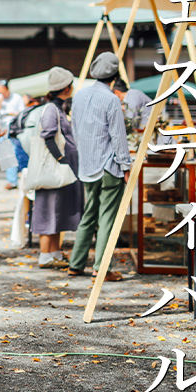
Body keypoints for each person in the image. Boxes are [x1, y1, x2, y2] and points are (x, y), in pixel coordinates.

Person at [68, 54, 131, 281]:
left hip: (87, 165)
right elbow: (118, 137)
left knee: (89, 215)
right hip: (109, 166)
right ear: (115, 77)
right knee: (107, 218)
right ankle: (100, 268)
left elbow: (75, 130)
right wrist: (126, 166)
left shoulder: (79, 95)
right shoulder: (112, 99)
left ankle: (76, 264)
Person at [29, 68, 82, 270]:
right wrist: (61, 159)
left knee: (57, 210)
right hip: (55, 168)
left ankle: (54, 253)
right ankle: (45, 255)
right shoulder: (51, 109)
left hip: (61, 169)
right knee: (48, 209)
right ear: (67, 88)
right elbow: (48, 136)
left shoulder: (57, 108)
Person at [0, 80, 28, 190]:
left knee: (14, 152)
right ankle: (11, 180)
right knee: (6, 154)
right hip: (1, 127)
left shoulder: (16, 97)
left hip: (12, 128)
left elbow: (22, 112)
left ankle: (13, 180)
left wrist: (10, 113)